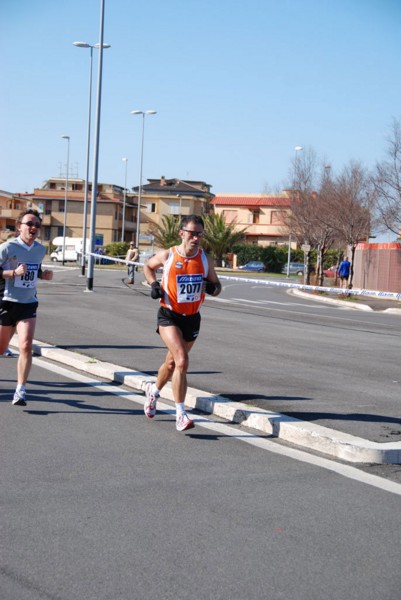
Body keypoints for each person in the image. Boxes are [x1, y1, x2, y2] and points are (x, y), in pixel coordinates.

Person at [143, 215, 222, 432]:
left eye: (199, 234)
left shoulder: (206, 259)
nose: (196, 238)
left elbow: (217, 285)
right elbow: (148, 267)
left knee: (172, 364)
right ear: (181, 233)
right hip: (169, 315)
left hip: (192, 318)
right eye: (192, 233)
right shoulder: (169, 254)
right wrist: (154, 284)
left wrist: (213, 288)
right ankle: (181, 414)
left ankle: (153, 391)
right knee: (182, 360)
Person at [0, 209, 53, 406]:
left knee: (25, 346)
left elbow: (34, 270)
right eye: (29, 224)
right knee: (1, 348)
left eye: (37, 225)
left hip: (28, 303)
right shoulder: (7, 247)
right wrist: (13, 272)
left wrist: (43, 274)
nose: (33, 228)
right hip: (6, 301)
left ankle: (20, 389)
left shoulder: (40, 250)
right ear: (19, 226)